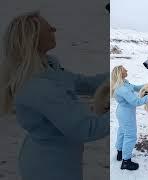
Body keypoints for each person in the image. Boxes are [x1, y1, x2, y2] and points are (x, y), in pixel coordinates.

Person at [0, 11, 109, 180]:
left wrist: (119, 76)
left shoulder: (48, 65)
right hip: (50, 167)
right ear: (34, 39)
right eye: (48, 29)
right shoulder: (37, 87)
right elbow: (84, 129)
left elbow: (83, 83)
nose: (54, 29)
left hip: (60, 157)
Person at [111, 65, 148, 170]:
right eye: (124, 69)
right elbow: (136, 102)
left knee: (122, 131)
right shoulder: (122, 89)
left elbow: (136, 87)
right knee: (130, 136)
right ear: (120, 73)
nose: (127, 70)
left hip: (122, 111)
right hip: (126, 114)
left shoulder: (124, 83)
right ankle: (126, 162)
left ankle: (120, 152)